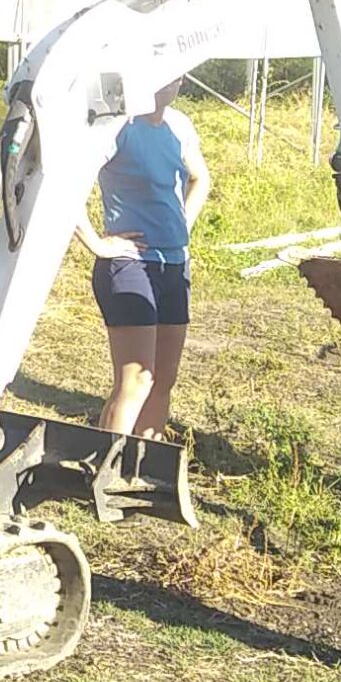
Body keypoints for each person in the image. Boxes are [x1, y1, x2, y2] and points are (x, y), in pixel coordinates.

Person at [76, 76, 211, 438]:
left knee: (161, 379)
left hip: (174, 265)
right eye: (164, 73)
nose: (172, 81)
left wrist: (183, 224)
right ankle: (106, 470)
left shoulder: (179, 125)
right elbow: (66, 182)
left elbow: (201, 178)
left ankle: (140, 469)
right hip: (129, 264)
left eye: (178, 75)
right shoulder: (119, 126)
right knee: (135, 380)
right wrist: (95, 242)